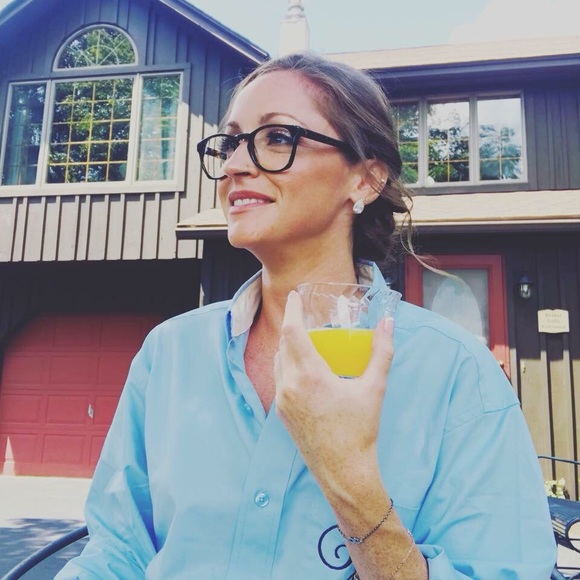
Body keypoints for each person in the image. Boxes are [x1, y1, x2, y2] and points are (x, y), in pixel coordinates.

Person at [57, 52, 556, 579]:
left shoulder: (456, 374)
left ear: (365, 180)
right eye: (229, 143)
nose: (234, 165)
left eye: (277, 138)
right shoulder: (169, 353)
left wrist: (350, 477)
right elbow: (116, 552)